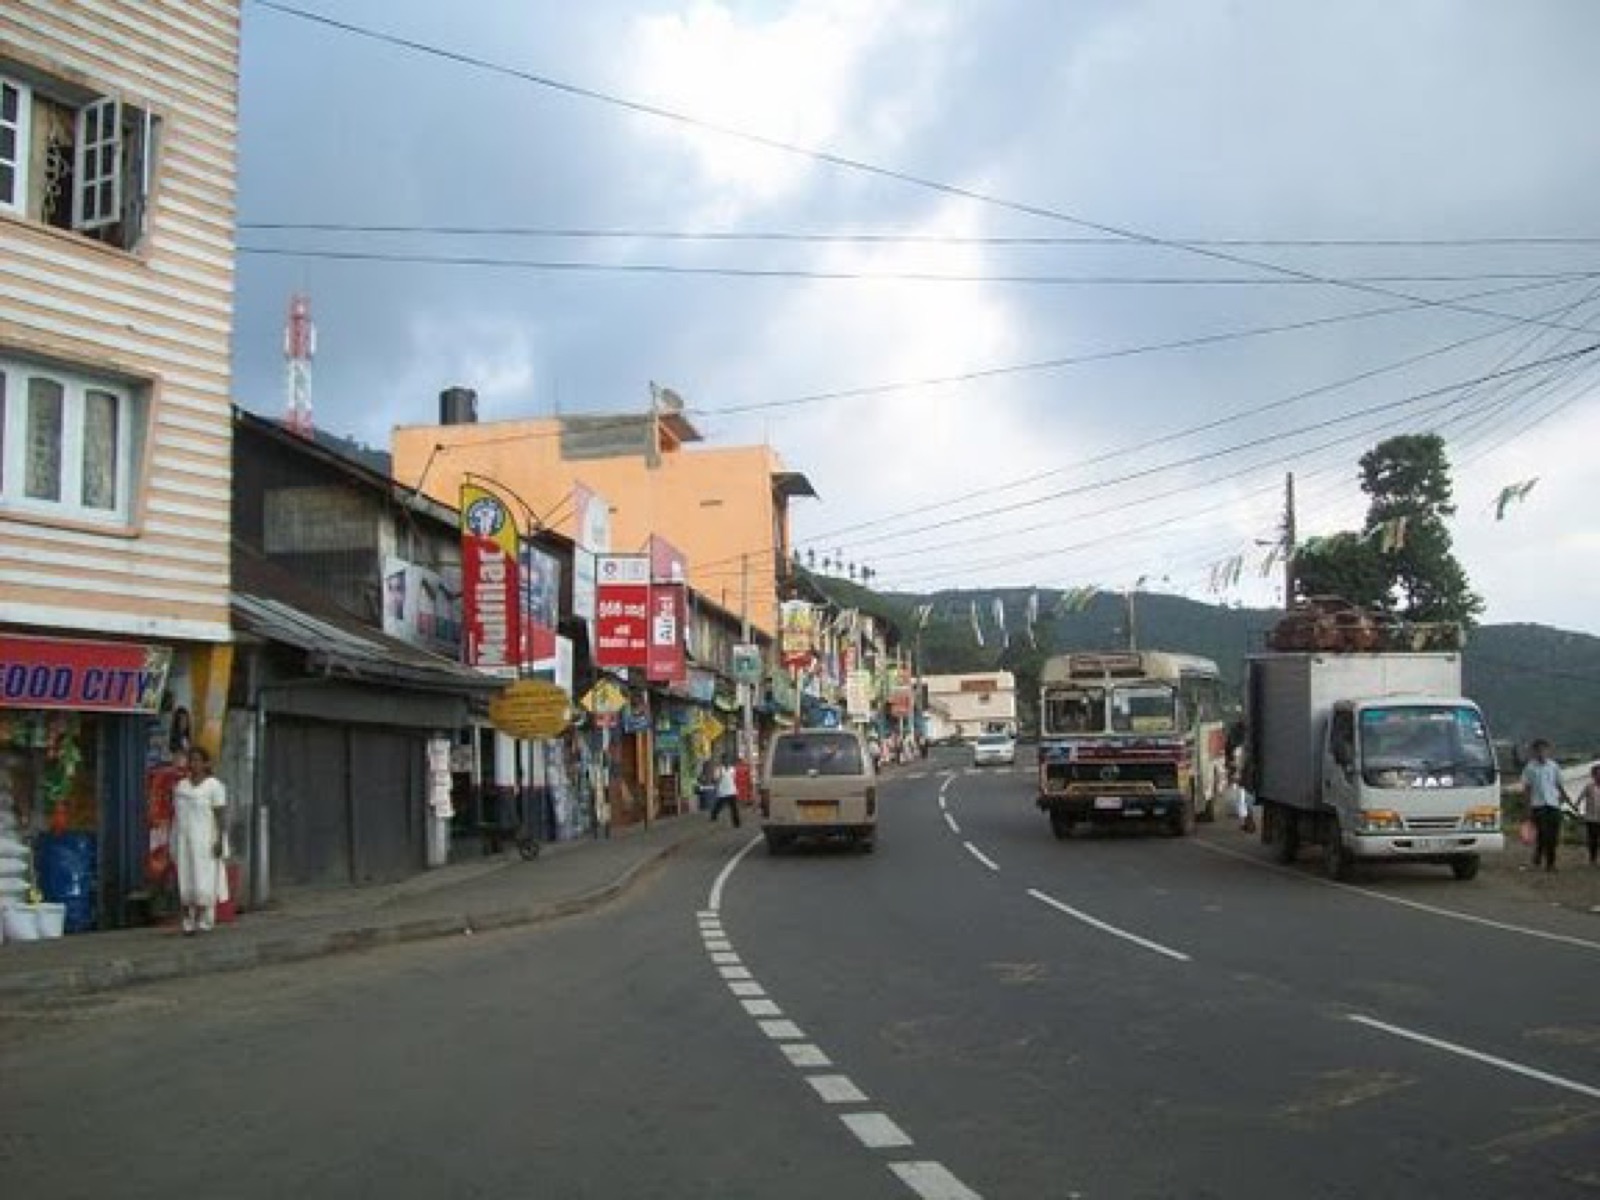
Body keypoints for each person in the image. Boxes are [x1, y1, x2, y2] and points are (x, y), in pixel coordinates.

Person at [171, 746, 228, 934]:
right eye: (191, 760)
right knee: (185, 878)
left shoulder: (214, 786)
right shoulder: (181, 786)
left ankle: (205, 917)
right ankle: (188, 920)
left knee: (204, 879)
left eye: (197, 760)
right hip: (184, 840)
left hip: (205, 841)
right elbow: (176, 816)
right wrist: (173, 840)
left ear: (205, 763)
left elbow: (220, 816)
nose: (193, 764)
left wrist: (220, 840)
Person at [1520, 739, 1569, 872]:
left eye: (1544, 749)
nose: (1541, 752)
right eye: (1539, 750)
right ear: (1534, 752)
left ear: (1548, 751)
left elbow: (1559, 784)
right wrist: (1527, 808)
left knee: (1553, 835)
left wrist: (1565, 798)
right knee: (1543, 834)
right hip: (1538, 806)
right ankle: (1544, 858)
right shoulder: (1530, 768)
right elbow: (1527, 789)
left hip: (1553, 804)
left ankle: (1549, 862)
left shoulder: (1554, 766)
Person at [1576, 762, 1600, 867]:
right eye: (1597, 774)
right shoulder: (1589, 787)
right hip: (1591, 818)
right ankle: (1593, 859)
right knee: (1593, 839)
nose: (1599, 776)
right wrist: (1576, 807)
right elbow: (1580, 798)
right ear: (1593, 775)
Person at [709, 756, 741, 827]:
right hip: (723, 791)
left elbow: (734, 778)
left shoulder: (732, 769)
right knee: (718, 806)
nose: (726, 761)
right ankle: (713, 816)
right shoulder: (719, 769)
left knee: (734, 808)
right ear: (722, 761)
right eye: (725, 760)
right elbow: (715, 779)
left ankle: (736, 823)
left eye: (727, 760)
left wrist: (736, 789)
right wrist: (719, 777)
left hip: (731, 791)